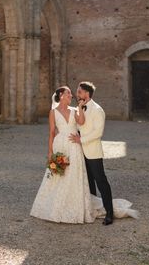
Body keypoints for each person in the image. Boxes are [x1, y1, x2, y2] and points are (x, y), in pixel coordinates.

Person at [30, 86, 94, 223]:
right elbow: (52, 132)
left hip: (74, 146)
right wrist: (50, 152)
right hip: (60, 145)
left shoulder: (74, 110)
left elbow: (81, 122)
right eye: (69, 93)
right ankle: (53, 205)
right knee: (58, 174)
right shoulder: (53, 112)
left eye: (71, 94)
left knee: (74, 174)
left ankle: (74, 207)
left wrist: (81, 108)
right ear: (61, 95)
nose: (72, 96)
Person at [69, 81, 115, 225]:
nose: (77, 94)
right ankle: (92, 209)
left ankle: (110, 213)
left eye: (79, 92)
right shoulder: (80, 108)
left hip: (93, 152)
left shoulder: (97, 110)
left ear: (87, 94)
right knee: (87, 182)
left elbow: (98, 133)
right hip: (79, 151)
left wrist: (80, 140)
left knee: (101, 182)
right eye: (77, 92)